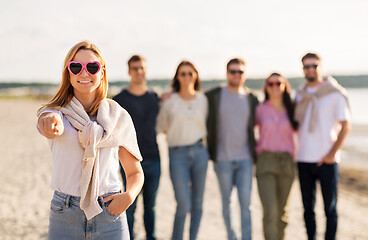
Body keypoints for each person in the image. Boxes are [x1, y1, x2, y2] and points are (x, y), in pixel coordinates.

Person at [37, 41, 144, 240]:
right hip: (65, 213)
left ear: (102, 72)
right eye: (76, 67)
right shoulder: (56, 113)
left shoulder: (118, 116)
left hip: (110, 213)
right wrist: (49, 123)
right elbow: (48, 123)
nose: (84, 73)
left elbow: (135, 172)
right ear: (68, 73)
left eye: (92, 67)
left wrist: (129, 197)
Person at [295, 53, 351, 240]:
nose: (311, 69)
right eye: (307, 66)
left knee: (330, 208)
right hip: (303, 158)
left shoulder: (334, 93)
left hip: (327, 160)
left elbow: (345, 125)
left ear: (321, 67)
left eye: (314, 66)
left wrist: (331, 154)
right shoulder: (300, 94)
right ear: (303, 69)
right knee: (308, 208)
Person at [206, 58, 258, 240]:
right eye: (233, 71)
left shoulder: (252, 98)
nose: (237, 75)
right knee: (227, 204)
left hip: (245, 159)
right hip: (222, 159)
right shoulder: (214, 95)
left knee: (246, 205)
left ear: (245, 74)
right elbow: (190, 96)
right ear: (227, 73)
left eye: (240, 72)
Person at [156, 60, 209, 240]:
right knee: (183, 204)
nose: (187, 77)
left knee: (198, 204)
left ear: (196, 76)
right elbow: (161, 126)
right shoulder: (170, 101)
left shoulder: (203, 100)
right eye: (183, 74)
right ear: (177, 77)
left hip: (200, 153)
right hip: (177, 155)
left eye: (190, 73)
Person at [113, 55, 161, 240]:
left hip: (154, 158)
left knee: (151, 207)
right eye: (135, 68)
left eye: (142, 68)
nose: (139, 72)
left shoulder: (154, 97)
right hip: (129, 161)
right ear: (129, 71)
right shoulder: (119, 99)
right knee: (129, 205)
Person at [255, 73, 298, 240]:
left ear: (284, 85)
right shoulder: (260, 109)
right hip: (265, 161)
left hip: (286, 162)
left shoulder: (293, 109)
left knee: (282, 211)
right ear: (266, 87)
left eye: (278, 83)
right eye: (270, 83)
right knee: (270, 210)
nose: (274, 86)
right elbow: (246, 130)